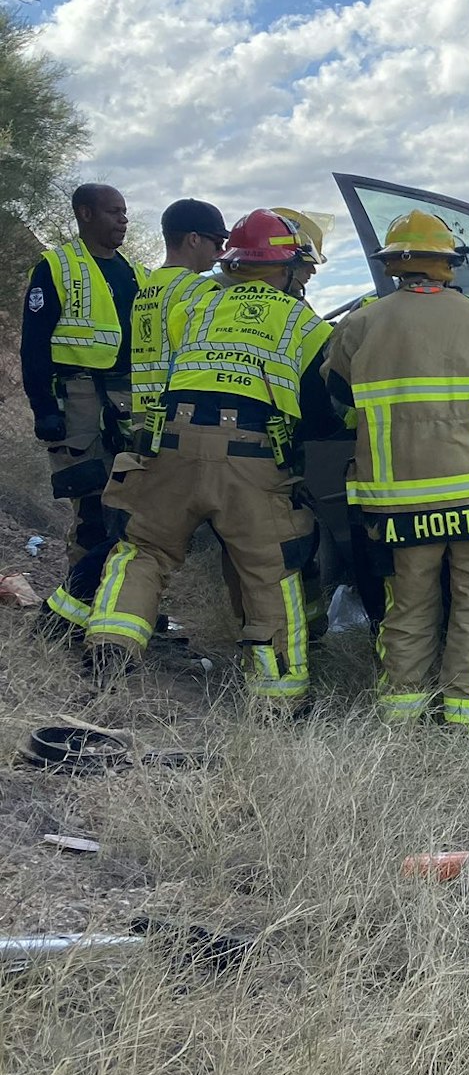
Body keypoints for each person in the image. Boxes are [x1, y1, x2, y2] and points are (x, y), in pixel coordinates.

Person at [85, 210, 338, 705]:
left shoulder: (197, 307)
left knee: (146, 549)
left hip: (172, 446)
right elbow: (323, 405)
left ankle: (112, 640)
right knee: (270, 570)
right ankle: (279, 695)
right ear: (285, 267)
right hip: (250, 458)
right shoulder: (301, 322)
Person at [322, 210, 469, 733]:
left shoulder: (362, 322)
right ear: (448, 264)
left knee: (409, 604)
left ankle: (403, 717)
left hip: (400, 497)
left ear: (393, 263)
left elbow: (336, 395)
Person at [20, 183, 141, 635]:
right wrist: (42, 408)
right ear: (85, 214)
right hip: (77, 403)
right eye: (114, 212)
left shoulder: (133, 272)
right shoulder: (56, 266)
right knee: (91, 508)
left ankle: (116, 602)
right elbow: (33, 345)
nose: (123, 220)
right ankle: (76, 610)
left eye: (126, 212)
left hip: (125, 402)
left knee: (128, 506)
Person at [129, 198, 227, 447]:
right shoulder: (202, 289)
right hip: (183, 413)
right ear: (194, 239)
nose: (221, 252)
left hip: (143, 412)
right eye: (217, 242)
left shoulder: (145, 286)